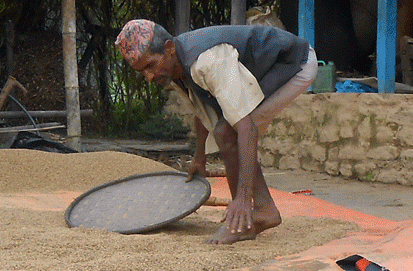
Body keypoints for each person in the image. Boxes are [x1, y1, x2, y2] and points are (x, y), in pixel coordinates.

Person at [114, 19, 316, 244]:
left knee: (227, 132)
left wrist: (241, 198)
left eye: (150, 65)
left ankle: (251, 216)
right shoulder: (177, 69)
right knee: (224, 130)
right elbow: (202, 111)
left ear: (169, 48)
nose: (149, 76)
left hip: (293, 63)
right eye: (142, 71)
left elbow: (247, 129)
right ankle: (261, 211)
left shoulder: (208, 61)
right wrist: (200, 157)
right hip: (269, 68)